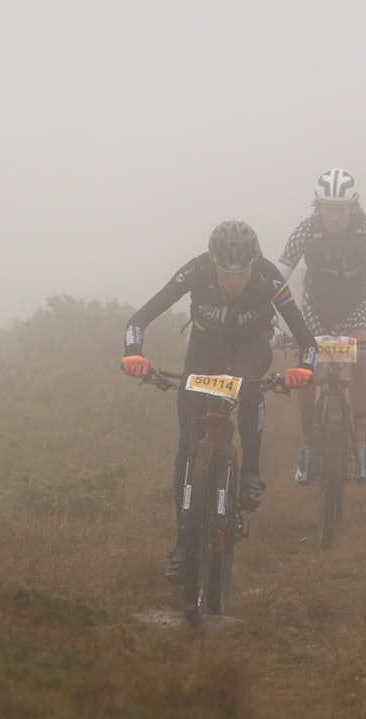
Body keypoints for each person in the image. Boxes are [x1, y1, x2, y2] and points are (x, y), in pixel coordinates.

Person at [121, 220, 318, 584]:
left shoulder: (269, 276)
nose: (234, 281)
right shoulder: (194, 270)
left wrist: (303, 370)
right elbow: (138, 320)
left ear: (253, 263)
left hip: (251, 346)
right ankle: (182, 544)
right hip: (205, 348)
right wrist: (134, 353)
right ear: (211, 262)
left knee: (248, 383)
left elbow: (307, 342)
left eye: (242, 273)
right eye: (225, 273)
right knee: (186, 447)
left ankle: (251, 473)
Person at [276, 168, 366, 486]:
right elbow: (273, 280)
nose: (334, 217)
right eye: (328, 209)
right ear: (317, 206)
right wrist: (271, 327)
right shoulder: (305, 231)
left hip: (357, 305)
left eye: (341, 210)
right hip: (317, 307)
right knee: (306, 366)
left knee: (361, 356)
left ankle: (362, 443)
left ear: (353, 207)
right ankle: (309, 445)